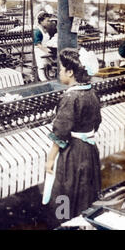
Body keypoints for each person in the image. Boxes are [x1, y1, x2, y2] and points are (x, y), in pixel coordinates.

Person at [43, 47, 101, 228]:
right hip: (89, 150)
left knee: (64, 191)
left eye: (61, 68)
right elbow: (97, 122)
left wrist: (50, 159)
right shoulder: (91, 92)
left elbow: (61, 132)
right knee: (85, 192)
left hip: (72, 154)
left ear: (70, 72)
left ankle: (64, 223)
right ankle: (82, 224)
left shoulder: (70, 97)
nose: (59, 72)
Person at [33, 11, 52, 81]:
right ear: (41, 21)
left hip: (46, 51)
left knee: (48, 67)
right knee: (41, 68)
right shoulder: (37, 31)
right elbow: (38, 44)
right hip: (40, 51)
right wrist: (47, 51)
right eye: (47, 21)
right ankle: (44, 81)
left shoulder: (46, 30)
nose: (48, 22)